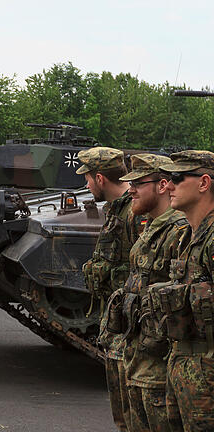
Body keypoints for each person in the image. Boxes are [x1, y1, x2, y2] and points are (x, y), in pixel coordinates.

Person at [103, 154, 188, 432]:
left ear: (162, 185)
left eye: (138, 183)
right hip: (137, 354)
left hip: (159, 361)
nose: (130, 190)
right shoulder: (150, 227)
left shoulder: (179, 231)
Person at [145, 150, 214, 431]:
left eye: (176, 177)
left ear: (204, 183)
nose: (168, 185)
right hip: (183, 371)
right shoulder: (188, 236)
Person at [78, 147, 144, 431]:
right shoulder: (117, 211)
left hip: (130, 332)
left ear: (101, 178)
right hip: (116, 326)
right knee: (123, 416)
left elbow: (143, 271)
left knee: (134, 415)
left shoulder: (134, 213)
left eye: (88, 178)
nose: (86, 184)